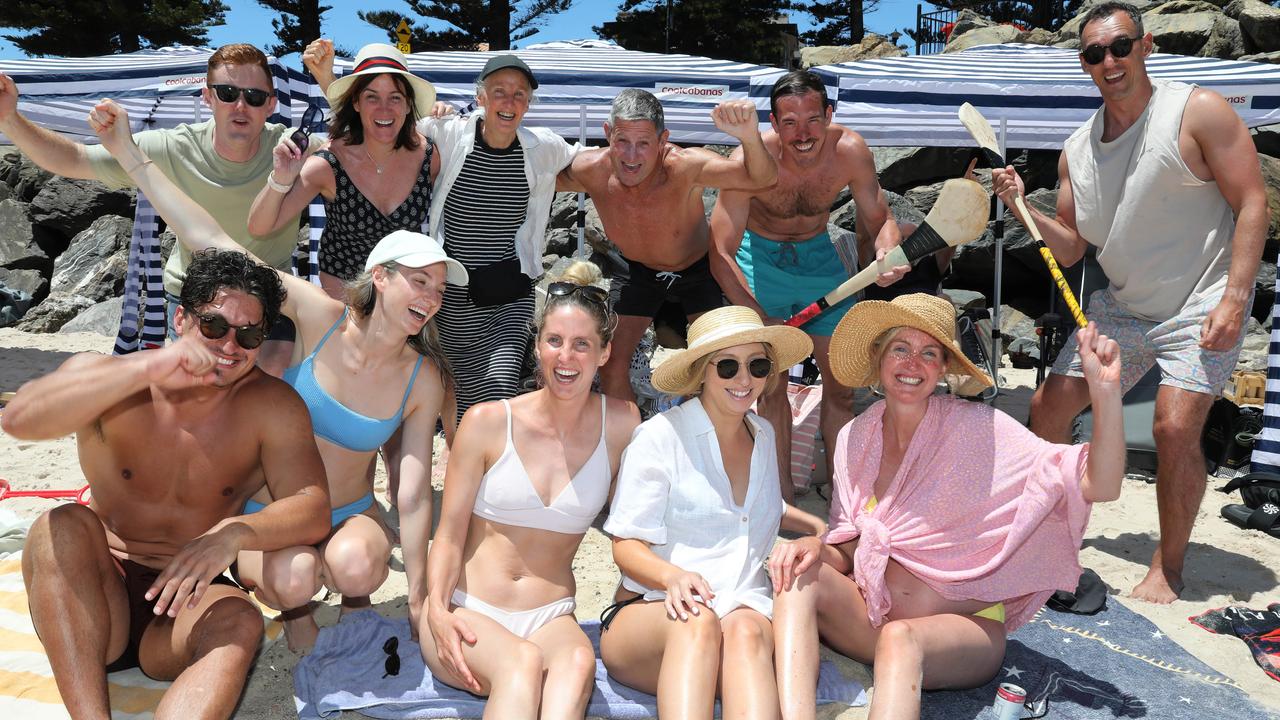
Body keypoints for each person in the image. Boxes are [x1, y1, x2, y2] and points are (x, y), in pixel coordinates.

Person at [92, 98, 461, 652]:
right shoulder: (322, 318)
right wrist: (128, 154)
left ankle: (353, 600)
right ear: (380, 279)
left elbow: (410, 495)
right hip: (271, 514)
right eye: (419, 282)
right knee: (293, 579)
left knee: (359, 564)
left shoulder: (422, 377)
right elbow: (213, 240)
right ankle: (297, 611)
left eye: (438, 287)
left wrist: (420, 593)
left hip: (350, 512)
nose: (431, 298)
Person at [992, 1, 1269, 603]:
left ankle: (1167, 567)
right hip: (1124, 305)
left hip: (1204, 297)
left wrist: (1236, 297)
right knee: (1048, 406)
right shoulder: (1075, 150)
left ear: (1145, 47)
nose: (1109, 61)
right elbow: (1069, 249)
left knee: (1173, 427)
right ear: (1085, 64)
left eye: (1120, 46)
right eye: (1094, 53)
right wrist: (1022, 206)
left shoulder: (1197, 111)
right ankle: (1046, 530)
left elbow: (1252, 201)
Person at [3, 247, 331, 719]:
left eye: (249, 333)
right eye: (214, 326)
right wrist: (150, 367)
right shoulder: (115, 380)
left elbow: (313, 507)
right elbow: (19, 419)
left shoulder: (271, 406)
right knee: (58, 525)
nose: (229, 346)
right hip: (97, 589)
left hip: (185, 601)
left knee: (241, 620)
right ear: (181, 320)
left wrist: (233, 533)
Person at [767, 293, 1124, 720]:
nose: (912, 363)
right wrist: (814, 547)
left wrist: (1104, 394)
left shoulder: (980, 431)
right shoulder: (855, 438)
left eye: (929, 353)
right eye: (900, 348)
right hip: (868, 614)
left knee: (901, 639)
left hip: (960, 633)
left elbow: (1099, 485)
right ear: (879, 357)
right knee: (793, 570)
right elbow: (849, 546)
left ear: (943, 368)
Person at [308, 49, 580, 433]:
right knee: (456, 392)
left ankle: (491, 480)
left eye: (520, 94)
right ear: (480, 97)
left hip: (509, 293)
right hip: (451, 293)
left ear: (528, 104)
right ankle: (463, 472)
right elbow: (375, 125)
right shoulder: (447, 134)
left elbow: (586, 163)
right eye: (499, 91)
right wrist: (326, 78)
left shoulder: (542, 147)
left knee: (499, 387)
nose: (509, 101)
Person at [421, 261, 640, 719]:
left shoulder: (621, 424)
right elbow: (449, 534)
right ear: (536, 345)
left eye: (582, 345)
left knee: (579, 662)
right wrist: (436, 609)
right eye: (554, 341)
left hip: (551, 617)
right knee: (521, 664)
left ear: (604, 354)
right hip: (467, 606)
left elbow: (636, 522)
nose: (566, 357)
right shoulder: (486, 422)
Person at [0, 44, 302, 374]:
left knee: (271, 384)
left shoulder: (291, 150)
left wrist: (327, 78)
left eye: (254, 97)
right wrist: (10, 119)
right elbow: (75, 158)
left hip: (271, 296)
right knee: (197, 388)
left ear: (271, 104)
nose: (240, 105)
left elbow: (349, 149)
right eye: (228, 92)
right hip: (195, 297)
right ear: (208, 97)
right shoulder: (172, 147)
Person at [600, 306, 827, 719]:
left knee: (745, 629)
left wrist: (816, 531)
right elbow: (626, 543)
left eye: (757, 365)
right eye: (727, 366)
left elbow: (758, 506)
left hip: (740, 605)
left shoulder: (764, 434)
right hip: (651, 613)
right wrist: (673, 576)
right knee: (698, 621)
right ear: (702, 371)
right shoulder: (659, 437)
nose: (744, 380)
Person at [709, 70, 909, 501]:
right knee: (772, 383)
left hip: (822, 265)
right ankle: (781, 495)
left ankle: (846, 495)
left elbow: (881, 221)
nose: (803, 134)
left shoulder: (850, 151)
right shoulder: (752, 155)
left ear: (829, 114)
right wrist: (758, 315)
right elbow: (720, 250)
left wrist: (886, 253)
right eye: (790, 122)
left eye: (813, 120)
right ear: (774, 124)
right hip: (760, 265)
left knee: (841, 386)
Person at [558, 89, 779, 404]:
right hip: (635, 270)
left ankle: (704, 443)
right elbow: (531, 173)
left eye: (644, 144)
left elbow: (762, 179)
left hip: (697, 270)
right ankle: (628, 446)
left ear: (663, 140)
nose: (631, 156)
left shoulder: (685, 167)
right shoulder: (592, 169)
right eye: (622, 141)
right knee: (609, 364)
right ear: (608, 134)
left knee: (718, 366)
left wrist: (749, 137)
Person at [257, 42, 438, 300]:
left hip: (403, 299)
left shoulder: (429, 157)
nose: (384, 108)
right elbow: (261, 227)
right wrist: (280, 178)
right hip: (344, 302)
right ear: (356, 103)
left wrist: (444, 120)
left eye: (395, 97)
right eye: (371, 96)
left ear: (408, 104)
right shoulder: (328, 163)